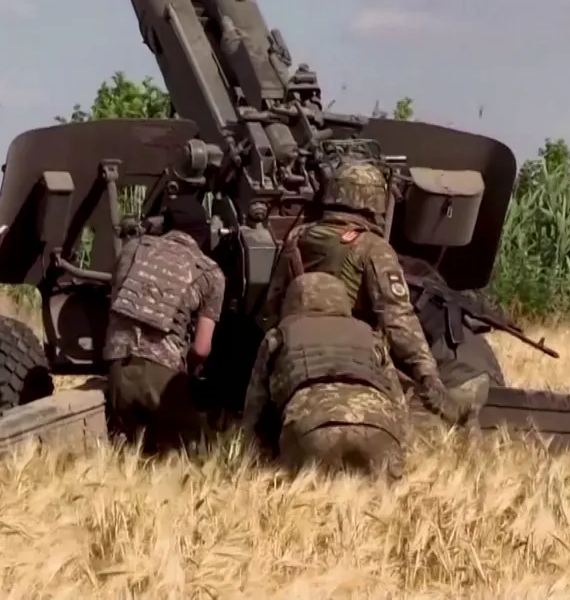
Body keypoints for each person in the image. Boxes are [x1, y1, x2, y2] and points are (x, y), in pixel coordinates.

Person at [258, 159, 473, 426]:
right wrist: (429, 376)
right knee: (425, 419)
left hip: (295, 357)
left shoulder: (297, 238)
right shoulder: (372, 247)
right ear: (373, 200)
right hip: (353, 359)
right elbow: (398, 321)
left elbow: (270, 309)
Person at [242, 272, 408, 478]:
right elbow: (398, 403)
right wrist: (401, 447)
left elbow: (255, 407)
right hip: (380, 428)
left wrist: (251, 460)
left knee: (308, 505)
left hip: (313, 429)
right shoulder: (370, 336)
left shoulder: (278, 335)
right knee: (383, 502)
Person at [102, 195, 226, 454]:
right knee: (193, 457)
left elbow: (116, 306)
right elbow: (202, 349)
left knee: (126, 451)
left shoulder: (132, 249)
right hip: (163, 377)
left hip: (118, 370)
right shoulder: (210, 273)